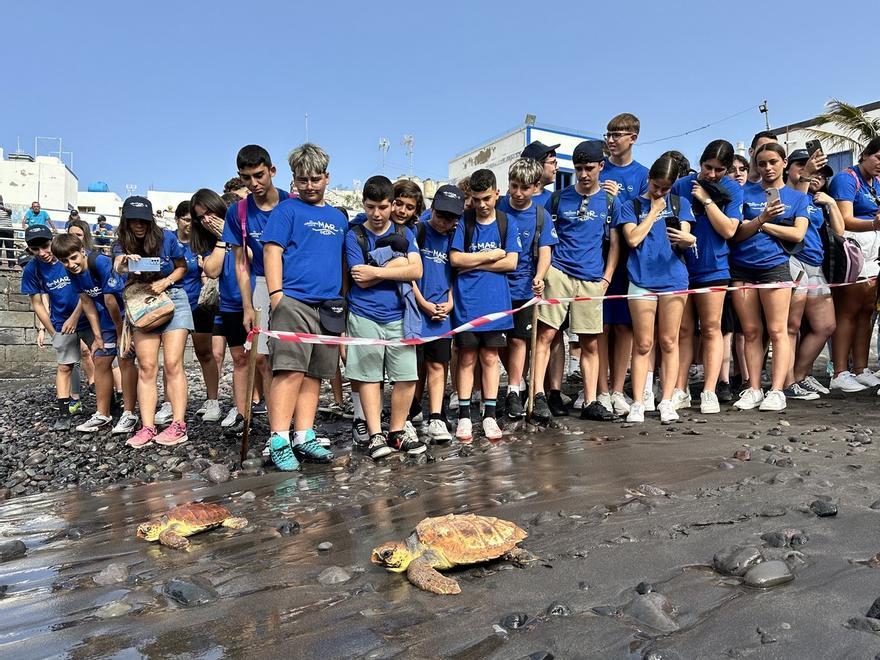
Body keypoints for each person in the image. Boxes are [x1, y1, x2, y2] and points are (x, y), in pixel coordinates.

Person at [261, 143, 347, 470]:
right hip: (293, 302)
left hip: (328, 306)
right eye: (303, 180)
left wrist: (343, 301)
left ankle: (304, 435)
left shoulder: (338, 217)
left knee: (315, 374)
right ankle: (280, 438)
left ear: (326, 177)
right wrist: (276, 295)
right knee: (288, 371)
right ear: (294, 179)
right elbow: (272, 251)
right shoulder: (287, 210)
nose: (309, 186)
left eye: (315, 179)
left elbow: (341, 259)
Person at [533, 140, 623, 423]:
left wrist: (606, 278)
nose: (583, 174)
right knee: (546, 335)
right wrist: (545, 273)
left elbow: (615, 244)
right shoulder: (558, 198)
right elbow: (545, 238)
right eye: (578, 168)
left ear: (601, 167)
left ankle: (592, 400)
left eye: (589, 168)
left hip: (591, 278)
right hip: (558, 274)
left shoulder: (610, 201)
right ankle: (539, 395)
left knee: (590, 343)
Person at [345, 175, 425, 458]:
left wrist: (377, 270)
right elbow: (359, 279)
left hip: (400, 316)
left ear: (392, 204)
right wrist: (398, 264)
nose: (376, 214)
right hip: (364, 314)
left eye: (382, 207)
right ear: (363, 205)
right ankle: (375, 434)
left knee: (406, 376)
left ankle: (397, 431)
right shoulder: (354, 235)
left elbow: (416, 271)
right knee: (368, 377)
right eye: (370, 207)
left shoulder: (406, 234)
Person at [615, 155, 696, 423]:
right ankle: (639, 401)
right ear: (649, 179)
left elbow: (684, 238)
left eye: (665, 188)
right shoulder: (630, 206)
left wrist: (688, 239)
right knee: (643, 343)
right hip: (641, 279)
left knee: (669, 341)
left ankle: (668, 401)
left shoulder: (680, 203)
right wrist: (652, 211)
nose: (660, 192)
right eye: (656, 186)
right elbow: (633, 239)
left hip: (673, 279)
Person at [729, 143, 809, 412]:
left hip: (775, 267)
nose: (767, 168)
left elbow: (798, 235)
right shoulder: (741, 192)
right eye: (761, 163)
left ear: (784, 162)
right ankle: (753, 388)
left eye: (773, 162)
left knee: (778, 331)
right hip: (741, 267)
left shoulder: (798, 198)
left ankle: (777, 390)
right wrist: (762, 218)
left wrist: (763, 225)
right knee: (751, 331)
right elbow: (736, 234)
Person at [114, 196, 193, 447]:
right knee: (147, 366)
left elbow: (182, 267)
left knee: (173, 363)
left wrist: (165, 281)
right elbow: (116, 268)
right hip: (141, 303)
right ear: (126, 221)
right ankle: (147, 426)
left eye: (143, 220)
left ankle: (178, 424)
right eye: (134, 220)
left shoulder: (167, 238)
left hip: (174, 299)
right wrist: (121, 263)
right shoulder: (121, 243)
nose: (139, 225)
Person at [671, 140, 742, 414]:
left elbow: (728, 230)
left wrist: (707, 199)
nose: (712, 174)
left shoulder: (733, 189)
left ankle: (710, 390)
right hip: (681, 268)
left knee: (712, 328)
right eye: (708, 167)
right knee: (685, 331)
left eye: (719, 170)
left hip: (714, 268)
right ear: (700, 162)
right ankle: (680, 388)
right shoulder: (680, 186)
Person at [449, 169, 520, 442]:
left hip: (496, 303)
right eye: (476, 199)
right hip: (466, 303)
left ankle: (490, 414)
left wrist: (473, 260)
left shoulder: (506, 222)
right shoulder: (464, 223)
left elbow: (511, 262)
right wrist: (490, 256)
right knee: (466, 358)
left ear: (496, 193)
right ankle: (465, 416)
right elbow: (455, 260)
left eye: (486, 198)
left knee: (490, 358)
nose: (481, 204)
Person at [221, 145, 289, 407]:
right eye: (246, 178)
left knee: (292, 358)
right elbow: (240, 263)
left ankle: (298, 424)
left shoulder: (291, 203)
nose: (254, 183)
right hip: (260, 282)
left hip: (291, 285)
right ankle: (276, 425)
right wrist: (247, 305)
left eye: (259, 175)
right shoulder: (237, 212)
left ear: (272, 171)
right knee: (261, 358)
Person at [50, 234, 130, 433]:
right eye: (65, 261)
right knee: (100, 359)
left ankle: (129, 412)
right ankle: (103, 414)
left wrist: (120, 332)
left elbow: (111, 300)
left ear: (82, 252)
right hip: (106, 317)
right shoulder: (72, 272)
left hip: (127, 313)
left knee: (125, 359)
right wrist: (98, 336)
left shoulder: (100, 263)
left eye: (74, 258)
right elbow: (87, 302)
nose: (71, 264)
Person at [151, 200, 221, 424]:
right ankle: (169, 402)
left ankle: (213, 400)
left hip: (199, 304)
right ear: (177, 219)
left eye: (195, 220)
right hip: (171, 304)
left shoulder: (202, 242)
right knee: (172, 358)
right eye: (187, 220)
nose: (191, 224)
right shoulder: (166, 240)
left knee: (204, 353)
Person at [498, 158, 557, 419]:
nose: (518, 193)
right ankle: (516, 383)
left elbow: (546, 252)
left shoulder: (541, 216)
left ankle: (514, 391)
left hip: (524, 287)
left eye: (525, 188)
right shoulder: (498, 207)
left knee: (520, 339)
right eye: (514, 186)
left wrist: (540, 276)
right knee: (498, 340)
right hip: (496, 286)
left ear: (536, 187)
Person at [600, 113, 651, 413]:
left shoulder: (642, 175)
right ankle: (599, 389)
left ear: (633, 137)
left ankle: (618, 389)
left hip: (630, 262)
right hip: (598, 258)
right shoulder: (597, 168)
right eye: (608, 134)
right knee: (599, 328)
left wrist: (618, 201)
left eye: (617, 134)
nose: (610, 140)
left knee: (624, 329)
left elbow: (642, 218)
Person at [193, 189, 252, 434]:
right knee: (239, 359)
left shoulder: (245, 227)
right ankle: (242, 414)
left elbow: (254, 258)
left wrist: (233, 234)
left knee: (261, 361)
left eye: (209, 213)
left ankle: (266, 412)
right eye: (201, 216)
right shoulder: (209, 241)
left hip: (253, 300)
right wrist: (221, 238)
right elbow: (213, 270)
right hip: (229, 304)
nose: (206, 219)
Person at [783, 150, 841, 397]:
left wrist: (831, 203)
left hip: (816, 266)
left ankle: (800, 375)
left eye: (820, 172)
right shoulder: (787, 193)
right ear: (788, 168)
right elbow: (787, 211)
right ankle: (786, 383)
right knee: (790, 327)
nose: (814, 174)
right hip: (793, 261)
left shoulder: (817, 201)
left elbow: (840, 231)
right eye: (805, 167)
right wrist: (804, 177)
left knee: (825, 325)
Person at [21, 225, 88, 429]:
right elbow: (37, 304)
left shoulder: (68, 258)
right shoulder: (32, 269)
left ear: (53, 240)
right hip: (61, 322)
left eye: (45, 246)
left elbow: (86, 289)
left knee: (102, 359)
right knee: (64, 366)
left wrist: (76, 317)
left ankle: (111, 405)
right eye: (35, 249)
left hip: (87, 315)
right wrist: (51, 330)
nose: (43, 253)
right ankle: (64, 411)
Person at [412, 185, 464, 443]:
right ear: (432, 210)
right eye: (442, 216)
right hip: (417, 312)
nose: (446, 223)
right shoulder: (418, 231)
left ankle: (436, 416)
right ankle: (411, 412)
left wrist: (451, 302)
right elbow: (408, 274)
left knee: (438, 364)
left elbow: (456, 275)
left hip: (443, 314)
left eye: (452, 218)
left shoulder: (455, 238)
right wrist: (422, 302)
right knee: (414, 366)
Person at [828, 137, 880, 392]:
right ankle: (839, 370)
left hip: (874, 254)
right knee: (847, 311)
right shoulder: (846, 179)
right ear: (865, 155)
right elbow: (844, 220)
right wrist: (874, 224)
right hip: (853, 251)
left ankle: (861, 368)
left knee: (866, 311)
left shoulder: (877, 182)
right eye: (878, 158)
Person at [520, 141, 560, 207]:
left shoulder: (554, 199)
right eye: (552, 163)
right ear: (537, 166)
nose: (557, 167)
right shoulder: (514, 200)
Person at [0, 196, 15, 269]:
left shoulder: (7, 206)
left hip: (8, 230)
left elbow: (10, 211)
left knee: (9, 247)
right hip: (0, 229)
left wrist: (2, 207)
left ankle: (11, 264)